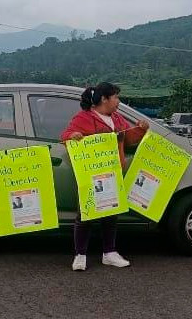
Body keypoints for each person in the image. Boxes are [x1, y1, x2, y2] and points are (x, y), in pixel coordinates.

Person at [60, 82, 149, 271]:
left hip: (113, 173)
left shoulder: (117, 119)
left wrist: (140, 129)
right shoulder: (83, 118)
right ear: (104, 99)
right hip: (90, 175)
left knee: (111, 214)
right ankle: (80, 255)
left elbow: (129, 139)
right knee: (85, 213)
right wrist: (73, 136)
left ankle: (109, 253)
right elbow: (66, 136)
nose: (118, 102)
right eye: (116, 97)